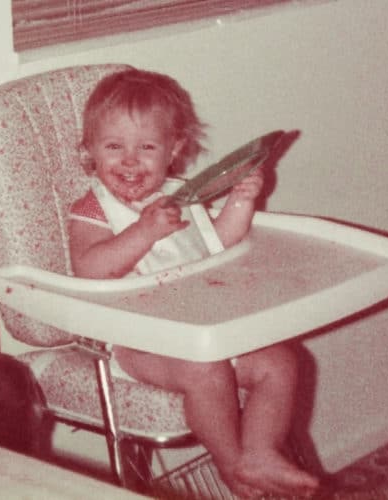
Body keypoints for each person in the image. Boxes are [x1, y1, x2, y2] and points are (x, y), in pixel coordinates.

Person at [68, 68, 319, 498]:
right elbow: (90, 267)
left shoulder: (181, 196)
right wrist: (143, 232)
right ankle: (234, 467)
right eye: (114, 147)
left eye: (146, 147)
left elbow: (214, 244)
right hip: (138, 340)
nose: (130, 160)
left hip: (202, 326)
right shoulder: (93, 209)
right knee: (205, 370)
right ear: (90, 150)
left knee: (281, 362)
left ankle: (259, 452)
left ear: (174, 149)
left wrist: (241, 201)